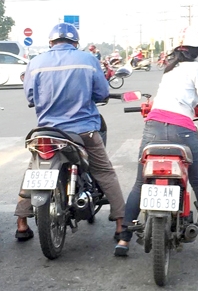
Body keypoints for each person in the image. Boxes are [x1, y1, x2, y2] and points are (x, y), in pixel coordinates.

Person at [115, 26, 198, 257]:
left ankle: (123, 240)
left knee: (139, 183)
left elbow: (160, 99)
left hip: (153, 129)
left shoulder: (170, 69)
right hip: (182, 131)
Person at [15, 23, 125, 242]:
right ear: (75, 43)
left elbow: (30, 96)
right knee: (104, 171)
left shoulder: (35, 63)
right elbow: (102, 92)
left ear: (51, 42)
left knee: (35, 171)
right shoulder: (88, 60)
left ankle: (21, 223)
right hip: (83, 131)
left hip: (48, 132)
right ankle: (122, 225)